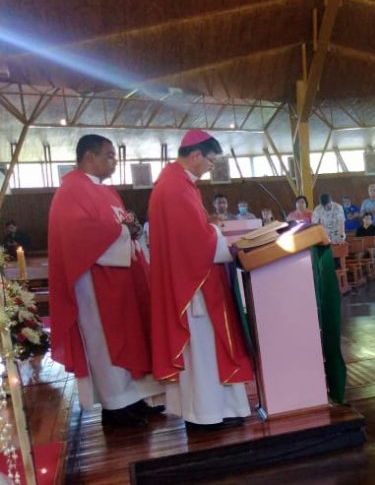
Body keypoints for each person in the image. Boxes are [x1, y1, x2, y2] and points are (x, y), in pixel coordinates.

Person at [49, 134, 162, 428]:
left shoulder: (106, 191)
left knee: (128, 337)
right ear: (89, 156)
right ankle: (115, 407)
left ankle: (133, 398)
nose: (114, 162)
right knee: (105, 342)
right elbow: (77, 233)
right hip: (94, 283)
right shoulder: (71, 189)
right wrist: (123, 230)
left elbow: (119, 224)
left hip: (119, 278)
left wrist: (131, 228)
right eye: (109, 155)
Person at [148, 130, 254, 431]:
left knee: (209, 349)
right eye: (210, 160)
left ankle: (220, 409)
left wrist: (211, 227)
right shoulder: (175, 187)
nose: (211, 166)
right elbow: (195, 240)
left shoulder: (178, 182)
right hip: (194, 286)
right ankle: (205, 415)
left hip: (196, 280)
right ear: (195, 155)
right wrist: (217, 233)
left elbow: (193, 230)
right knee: (204, 351)